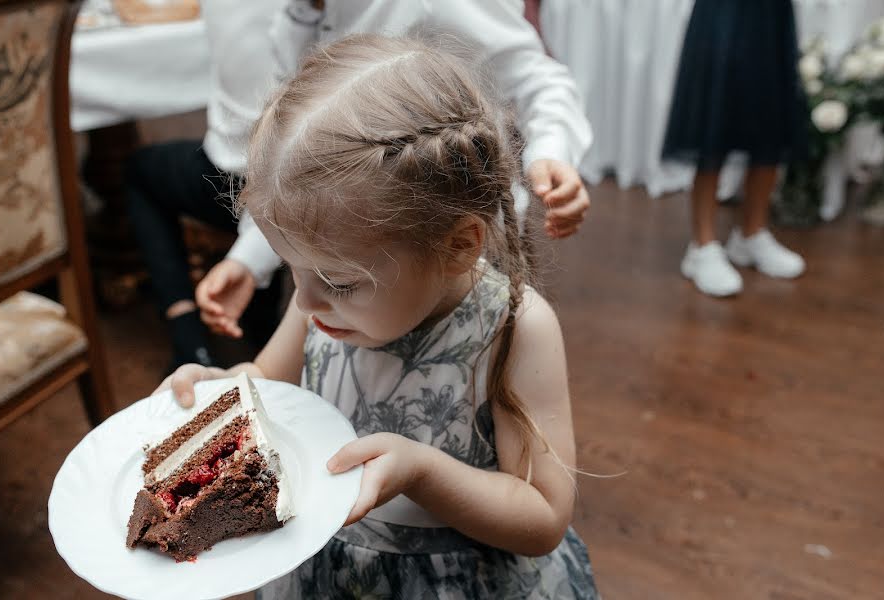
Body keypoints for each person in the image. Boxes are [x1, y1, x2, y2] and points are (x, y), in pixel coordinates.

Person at [157, 34, 598, 599]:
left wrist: (423, 472)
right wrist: (224, 390)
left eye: (339, 281)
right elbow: (268, 383)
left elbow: (543, 518)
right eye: (293, 269)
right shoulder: (320, 299)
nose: (306, 301)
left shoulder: (513, 328)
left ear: (458, 245)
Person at [195, 0, 593, 340]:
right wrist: (250, 258)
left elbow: (537, 78)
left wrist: (550, 153)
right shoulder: (301, 10)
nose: (304, 302)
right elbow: (300, 159)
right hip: (352, 258)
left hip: (440, 242)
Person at [125, 0, 286, 371]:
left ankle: (187, 339)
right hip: (273, 188)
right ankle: (250, 321)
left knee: (141, 171)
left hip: (264, 185)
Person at [662, 0, 807, 297]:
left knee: (771, 111)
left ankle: (752, 234)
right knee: (715, 109)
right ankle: (702, 246)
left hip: (772, 12)